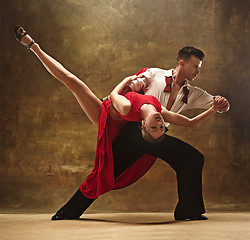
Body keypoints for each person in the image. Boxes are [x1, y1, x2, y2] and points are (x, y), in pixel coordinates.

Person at [15, 26, 226, 221]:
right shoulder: (155, 76)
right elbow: (137, 82)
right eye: (195, 66)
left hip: (150, 134)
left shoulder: (174, 107)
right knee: (105, 172)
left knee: (192, 158)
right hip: (127, 127)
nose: (198, 71)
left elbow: (196, 117)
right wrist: (130, 84)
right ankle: (69, 211)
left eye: (199, 67)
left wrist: (220, 105)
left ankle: (188, 210)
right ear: (182, 63)